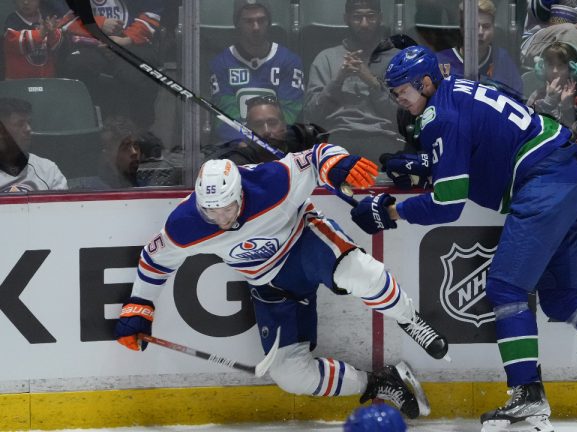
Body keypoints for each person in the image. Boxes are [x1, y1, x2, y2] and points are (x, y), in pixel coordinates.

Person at [353, 45, 577, 431]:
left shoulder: (439, 115)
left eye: (403, 90)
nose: (398, 98)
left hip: (543, 184)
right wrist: (430, 164)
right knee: (562, 299)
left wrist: (389, 212)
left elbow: (448, 204)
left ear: (426, 82)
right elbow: (489, 138)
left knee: (504, 289)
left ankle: (527, 395)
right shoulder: (463, 88)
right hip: (570, 177)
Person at [113, 146, 449, 420]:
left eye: (226, 209)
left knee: (362, 273)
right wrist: (139, 306)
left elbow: (316, 157)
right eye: (210, 212)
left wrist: (336, 164)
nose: (219, 219)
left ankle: (409, 319)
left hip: (305, 245)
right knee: (289, 376)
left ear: (240, 193)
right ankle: (377, 383)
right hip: (269, 288)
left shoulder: (271, 182)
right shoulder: (186, 224)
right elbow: (154, 259)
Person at [304, 0, 405, 165]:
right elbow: (312, 115)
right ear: (346, 19)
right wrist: (338, 80)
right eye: (357, 17)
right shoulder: (326, 58)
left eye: (370, 17)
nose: (364, 24)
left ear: (380, 18)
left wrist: (372, 82)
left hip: (384, 139)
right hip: (337, 138)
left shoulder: (397, 59)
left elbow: (403, 117)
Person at [208, 0, 304, 142]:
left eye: (261, 20)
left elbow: (290, 114)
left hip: (279, 145)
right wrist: (249, 144)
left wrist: (270, 143)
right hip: (239, 147)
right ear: (238, 23)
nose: (256, 27)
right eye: (248, 21)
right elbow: (224, 118)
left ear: (269, 22)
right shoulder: (221, 64)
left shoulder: (289, 61)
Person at [60, 0, 163, 128]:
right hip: (90, 42)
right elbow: (65, 18)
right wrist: (99, 24)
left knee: (137, 73)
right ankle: (89, 127)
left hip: (130, 42)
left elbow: (151, 12)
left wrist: (126, 40)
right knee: (77, 65)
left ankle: (138, 128)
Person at [207, 95, 329, 165]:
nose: (266, 131)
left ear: (284, 126)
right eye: (258, 124)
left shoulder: (307, 142)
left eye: (272, 122)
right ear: (248, 131)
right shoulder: (237, 160)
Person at [435, 0, 523, 94]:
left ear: (493, 28)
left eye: (486, 26)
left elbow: (517, 99)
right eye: (474, 26)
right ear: (462, 28)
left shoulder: (502, 59)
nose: (480, 32)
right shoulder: (441, 61)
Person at [0, 97, 67, 192]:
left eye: (29, 123)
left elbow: (63, 205)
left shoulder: (48, 170)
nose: (28, 129)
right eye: (20, 124)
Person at [526, 41, 577, 131]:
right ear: (542, 69)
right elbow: (531, 129)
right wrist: (548, 102)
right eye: (550, 65)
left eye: (561, 66)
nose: (555, 71)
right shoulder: (537, 95)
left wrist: (567, 107)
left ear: (573, 69)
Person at [69, 115, 144, 189]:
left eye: (136, 146)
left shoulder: (148, 185)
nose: (134, 153)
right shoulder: (87, 189)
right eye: (125, 148)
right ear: (106, 154)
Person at [2, 0, 66, 79]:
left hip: (46, 79)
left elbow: (57, 47)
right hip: (18, 81)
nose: (25, 2)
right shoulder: (12, 21)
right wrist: (41, 33)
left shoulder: (47, 18)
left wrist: (52, 32)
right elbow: (13, 41)